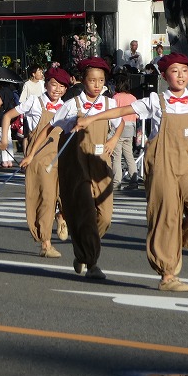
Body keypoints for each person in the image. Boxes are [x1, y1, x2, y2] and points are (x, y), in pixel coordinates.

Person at [77, 53, 188, 292]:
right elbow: (122, 111)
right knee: (165, 217)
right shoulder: (156, 101)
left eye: (184, 71)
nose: (181, 75)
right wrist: (92, 119)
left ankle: (176, 244)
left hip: (186, 165)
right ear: (165, 76)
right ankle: (167, 274)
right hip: (161, 164)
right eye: (175, 71)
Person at [53, 57, 123, 280]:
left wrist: (114, 140)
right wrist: (35, 152)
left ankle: (84, 248)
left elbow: (120, 121)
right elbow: (54, 127)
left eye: (101, 80)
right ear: (83, 81)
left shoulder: (110, 103)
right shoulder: (72, 105)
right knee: (85, 214)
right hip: (79, 166)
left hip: (101, 164)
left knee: (105, 217)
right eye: (92, 80)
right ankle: (92, 263)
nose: (97, 84)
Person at [0, 66, 72, 259]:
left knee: (69, 195)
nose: (57, 89)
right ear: (45, 85)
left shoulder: (67, 106)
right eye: (54, 84)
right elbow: (7, 116)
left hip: (63, 155)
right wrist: (4, 140)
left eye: (62, 86)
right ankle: (46, 244)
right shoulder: (34, 101)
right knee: (45, 198)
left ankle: (62, 216)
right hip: (38, 156)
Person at [111, 73, 139, 190]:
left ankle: (116, 183)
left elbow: (112, 114)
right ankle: (134, 181)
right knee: (129, 155)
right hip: (131, 127)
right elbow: (137, 115)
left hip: (119, 127)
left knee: (116, 156)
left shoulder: (115, 98)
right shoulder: (133, 98)